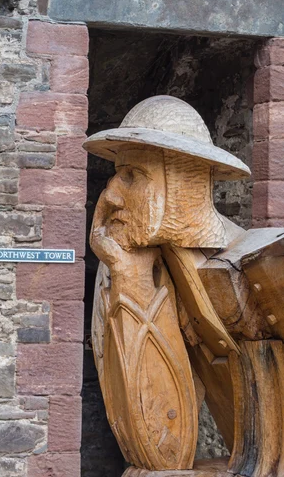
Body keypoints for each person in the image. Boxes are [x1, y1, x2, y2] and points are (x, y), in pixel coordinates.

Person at [86, 96, 284, 477]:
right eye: (116, 174)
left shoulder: (257, 269)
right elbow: (159, 453)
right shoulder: (127, 259)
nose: (110, 195)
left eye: (131, 176)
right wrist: (131, 279)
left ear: (181, 182)